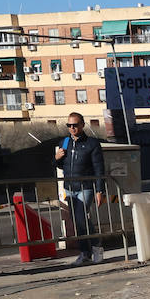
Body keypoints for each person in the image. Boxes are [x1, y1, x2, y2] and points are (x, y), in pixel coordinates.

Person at [54, 112, 105, 265]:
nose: (72, 128)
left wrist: (99, 190)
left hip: (86, 187)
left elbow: (99, 168)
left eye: (75, 125)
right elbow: (61, 166)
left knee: (81, 218)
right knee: (77, 221)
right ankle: (85, 253)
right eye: (69, 125)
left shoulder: (92, 144)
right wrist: (56, 159)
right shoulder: (65, 142)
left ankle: (96, 248)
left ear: (82, 125)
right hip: (69, 187)